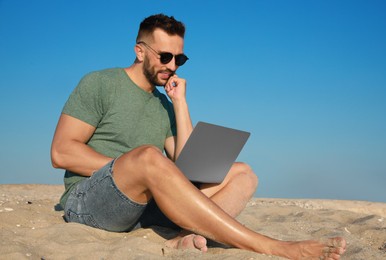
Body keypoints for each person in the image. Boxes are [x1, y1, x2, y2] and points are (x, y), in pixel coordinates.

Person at [51, 13, 346, 259]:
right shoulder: (100, 83)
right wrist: (135, 168)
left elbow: (187, 165)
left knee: (244, 174)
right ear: (139, 51)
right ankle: (272, 246)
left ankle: (184, 237)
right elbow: (62, 152)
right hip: (90, 203)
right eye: (165, 56)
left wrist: (180, 103)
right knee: (149, 158)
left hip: (144, 206)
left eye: (180, 58)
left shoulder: (164, 104)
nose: (172, 65)